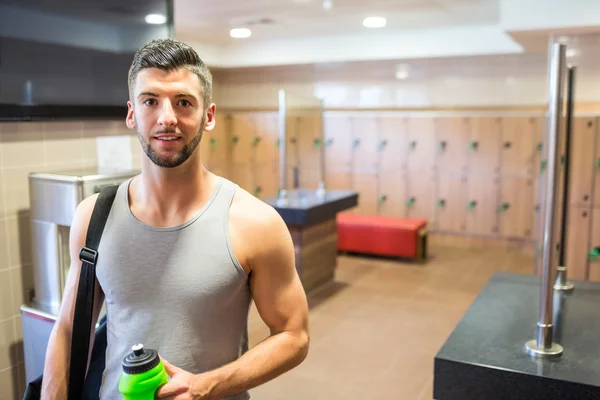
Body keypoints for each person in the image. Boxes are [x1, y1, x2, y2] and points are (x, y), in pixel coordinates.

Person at [41, 38, 310, 399]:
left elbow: (294, 335)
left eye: (183, 102)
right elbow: (69, 331)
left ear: (208, 115)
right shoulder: (93, 217)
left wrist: (206, 385)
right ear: (132, 113)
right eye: (150, 101)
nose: (167, 117)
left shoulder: (253, 223)